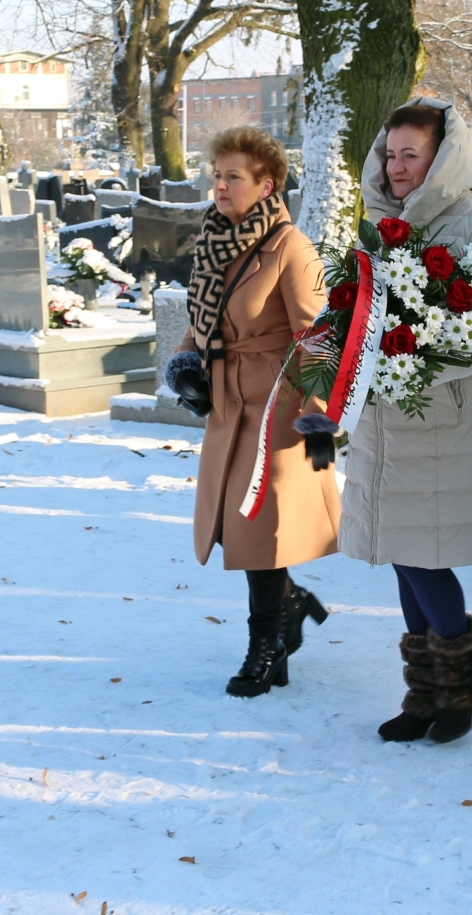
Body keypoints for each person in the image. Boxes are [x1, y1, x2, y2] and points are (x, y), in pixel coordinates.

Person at [340, 98, 472, 744]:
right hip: (386, 421)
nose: (396, 166)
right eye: (390, 154)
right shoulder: (379, 223)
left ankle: (460, 688)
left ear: (441, 158)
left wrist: (413, 365)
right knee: (401, 553)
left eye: (410, 154)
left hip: (447, 420)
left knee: (424, 557)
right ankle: (425, 693)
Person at [164, 126, 338, 698]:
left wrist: (317, 417)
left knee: (258, 531)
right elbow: (203, 319)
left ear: (267, 185)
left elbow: (317, 337)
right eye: (217, 175)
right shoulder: (215, 239)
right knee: (234, 528)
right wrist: (184, 363)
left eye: (233, 177)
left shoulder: (291, 247)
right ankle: (291, 605)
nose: (220, 186)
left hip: (276, 411)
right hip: (227, 405)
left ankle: (265, 645)